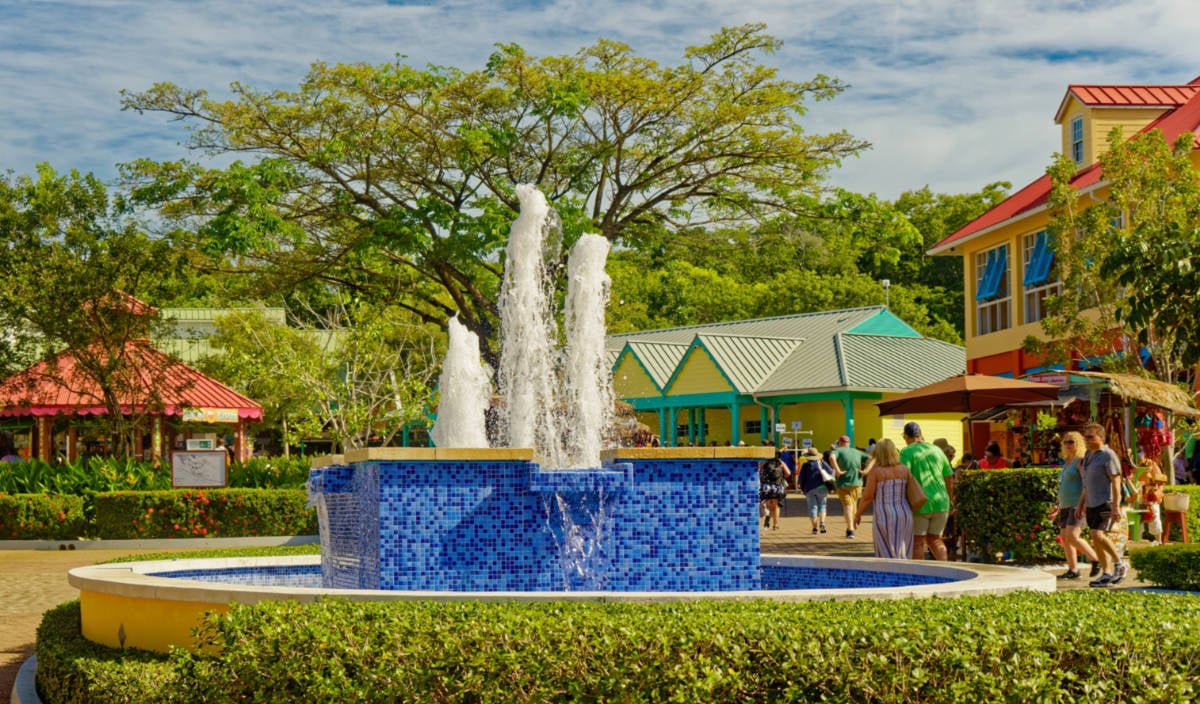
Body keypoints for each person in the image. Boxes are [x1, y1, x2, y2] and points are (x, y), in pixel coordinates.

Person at [1075, 422, 1125, 587]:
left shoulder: (1108, 455)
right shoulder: (1088, 455)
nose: (1086, 439)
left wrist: (1116, 506)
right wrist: (1081, 505)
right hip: (1091, 503)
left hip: (1105, 502)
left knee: (1098, 535)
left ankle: (1120, 563)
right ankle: (1107, 572)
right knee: (1095, 538)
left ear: (1101, 437)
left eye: (1090, 436)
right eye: (1085, 436)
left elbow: (1116, 482)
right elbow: (1086, 484)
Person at [898, 422, 955, 561]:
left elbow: (904, 476)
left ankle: (919, 575)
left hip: (920, 502)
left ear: (906, 436)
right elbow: (949, 477)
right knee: (935, 540)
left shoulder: (906, 452)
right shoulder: (937, 450)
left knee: (918, 542)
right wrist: (950, 499)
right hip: (941, 501)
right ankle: (945, 572)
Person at [856, 439, 916, 558]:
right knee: (904, 552)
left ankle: (891, 576)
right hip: (905, 513)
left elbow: (867, 497)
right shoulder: (904, 469)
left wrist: (858, 514)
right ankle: (904, 575)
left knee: (887, 554)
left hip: (885, 515)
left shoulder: (877, 472)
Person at [1052, 431, 1100, 580]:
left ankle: (1095, 559)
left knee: (1073, 536)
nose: (1067, 445)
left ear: (1078, 443)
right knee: (1065, 539)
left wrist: (1083, 505)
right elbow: (1064, 485)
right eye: (1065, 442)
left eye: (1071, 442)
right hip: (1065, 505)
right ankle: (1073, 569)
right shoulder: (1066, 462)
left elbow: (1086, 483)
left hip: (1076, 505)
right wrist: (1057, 504)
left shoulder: (1080, 460)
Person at [830, 434, 868, 539]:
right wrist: (866, 471)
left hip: (843, 483)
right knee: (853, 504)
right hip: (857, 483)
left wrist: (837, 470)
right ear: (849, 443)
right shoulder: (857, 451)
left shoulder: (837, 450)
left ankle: (850, 530)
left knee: (848, 506)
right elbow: (872, 458)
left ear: (840, 443)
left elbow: (832, 457)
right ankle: (851, 526)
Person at [797, 447, 832, 534]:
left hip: (809, 489)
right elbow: (831, 472)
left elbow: (801, 479)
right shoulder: (822, 463)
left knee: (813, 508)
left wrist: (800, 485)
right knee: (822, 506)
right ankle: (822, 523)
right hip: (822, 488)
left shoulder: (805, 465)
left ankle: (815, 529)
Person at [758, 453, 790, 531]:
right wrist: (782, 477)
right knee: (776, 507)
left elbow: (758, 472)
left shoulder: (764, 462)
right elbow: (788, 473)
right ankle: (775, 525)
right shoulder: (780, 462)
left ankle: (767, 515)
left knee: (767, 504)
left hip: (767, 487)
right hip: (777, 487)